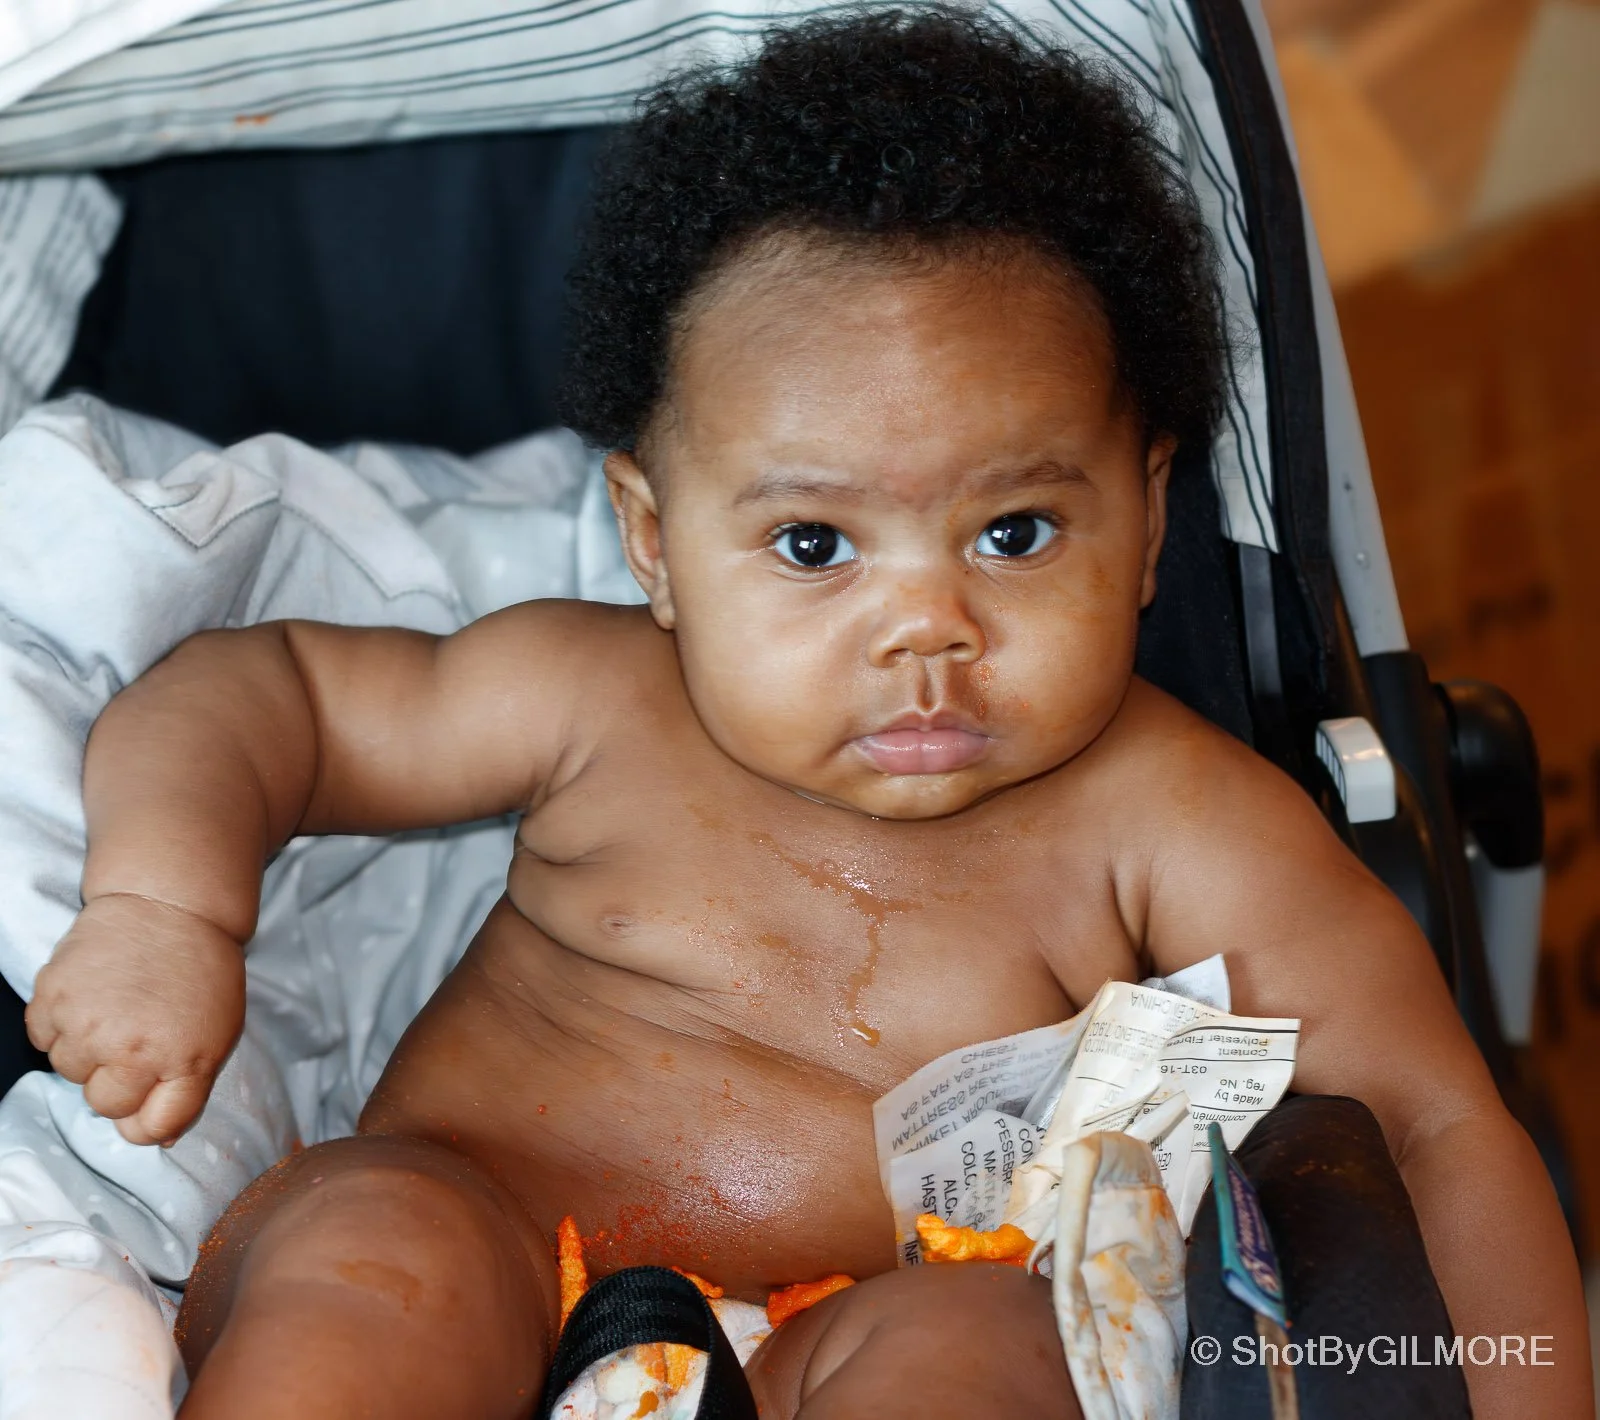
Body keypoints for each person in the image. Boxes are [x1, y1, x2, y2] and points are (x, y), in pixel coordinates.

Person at [23, 9, 1587, 1418]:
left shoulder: (1173, 823)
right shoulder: (595, 697)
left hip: (847, 1336)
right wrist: (164, 904)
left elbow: (1438, 1122)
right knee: (372, 1241)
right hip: (476, 1248)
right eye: (815, 546)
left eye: (1018, 533)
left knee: (981, 1350)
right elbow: (262, 695)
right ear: (654, 541)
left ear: (1152, 515)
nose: (927, 629)